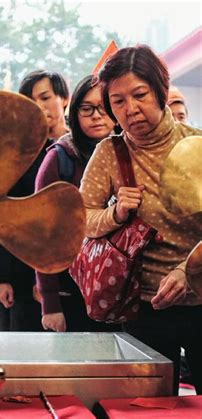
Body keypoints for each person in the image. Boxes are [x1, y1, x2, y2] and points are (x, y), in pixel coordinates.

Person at [81, 44, 202, 393]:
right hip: (143, 306)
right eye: (118, 101)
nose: (131, 109)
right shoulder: (109, 153)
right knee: (148, 406)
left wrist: (187, 269)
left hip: (201, 296)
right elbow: (82, 218)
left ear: (161, 92)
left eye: (140, 94)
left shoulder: (196, 144)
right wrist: (115, 214)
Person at [34, 75, 120, 332]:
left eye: (104, 108)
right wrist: (50, 304)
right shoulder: (60, 157)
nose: (97, 116)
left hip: (122, 290)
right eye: (87, 108)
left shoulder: (130, 153)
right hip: (71, 291)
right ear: (75, 112)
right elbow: (43, 233)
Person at [0, 70, 69, 331]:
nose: (39, 107)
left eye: (45, 97)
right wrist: (0, 277)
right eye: (31, 101)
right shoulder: (18, 152)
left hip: (72, 276)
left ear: (64, 99)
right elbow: (1, 214)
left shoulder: (80, 146)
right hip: (21, 277)